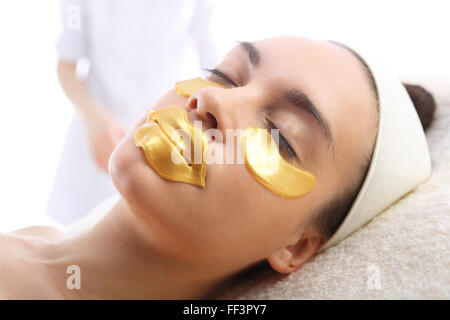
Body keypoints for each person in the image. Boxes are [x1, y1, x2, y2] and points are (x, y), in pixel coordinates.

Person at [0, 36, 435, 299]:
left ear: (297, 247)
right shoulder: (30, 245)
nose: (212, 101)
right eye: (224, 74)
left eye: (280, 135)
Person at [48, 0, 219, 225]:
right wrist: (93, 118)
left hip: (165, 136)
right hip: (95, 134)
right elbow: (66, 66)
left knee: (151, 231)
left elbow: (212, 64)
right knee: (79, 233)